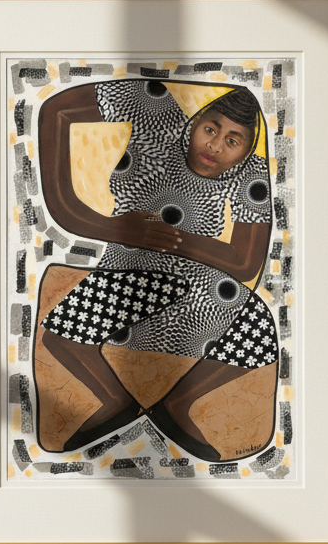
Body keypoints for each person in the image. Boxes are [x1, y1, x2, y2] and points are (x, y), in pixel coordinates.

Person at [36, 78, 277, 460]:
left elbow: (246, 263)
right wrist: (90, 220)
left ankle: (178, 404)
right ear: (194, 121)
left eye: (232, 141)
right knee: (59, 337)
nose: (215, 145)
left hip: (199, 291)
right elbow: (55, 110)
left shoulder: (251, 175)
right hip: (127, 275)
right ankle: (115, 399)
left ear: (246, 151)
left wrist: (168, 238)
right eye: (210, 128)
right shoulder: (157, 117)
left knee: (259, 327)